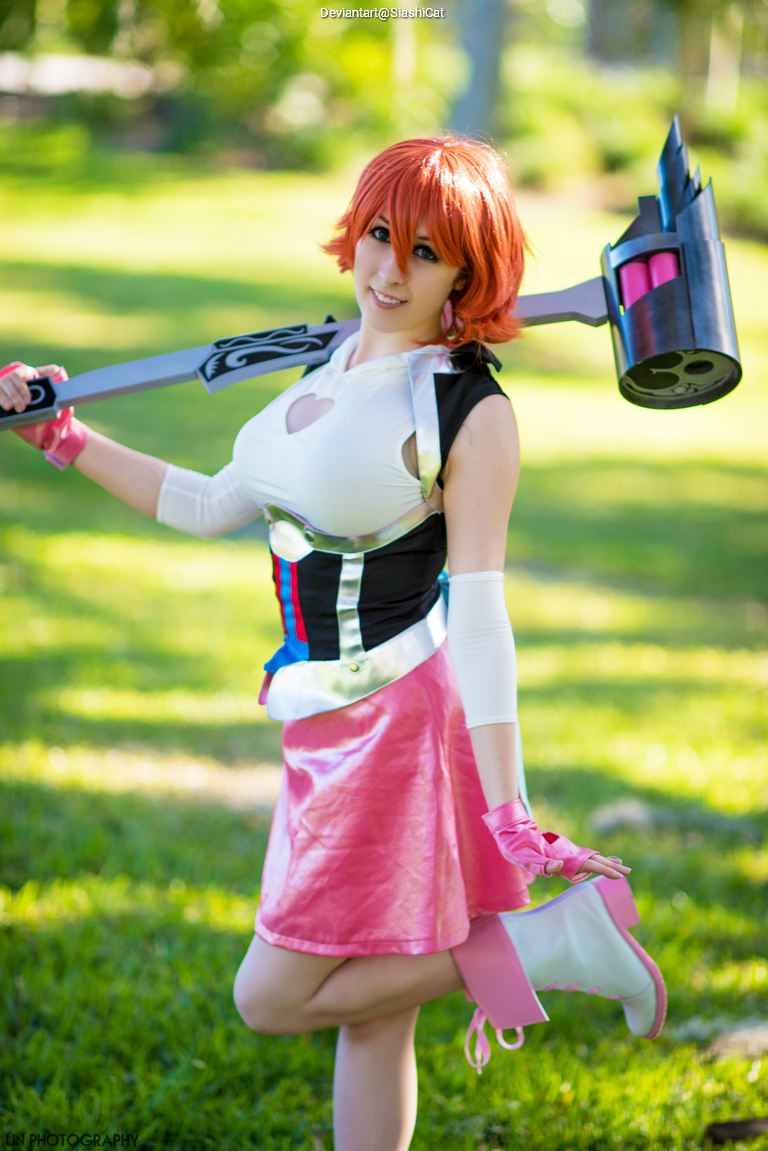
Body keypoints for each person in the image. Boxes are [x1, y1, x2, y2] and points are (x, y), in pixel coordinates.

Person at [2, 136, 665, 1151]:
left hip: (397, 722)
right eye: (381, 235)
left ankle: (552, 941)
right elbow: (207, 501)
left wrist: (509, 802)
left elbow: (484, 612)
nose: (391, 269)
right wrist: (68, 437)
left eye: (429, 253)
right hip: (327, 718)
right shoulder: (328, 361)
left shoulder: (468, 411)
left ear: (467, 274)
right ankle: (545, 948)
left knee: (269, 994)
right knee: (370, 1009)